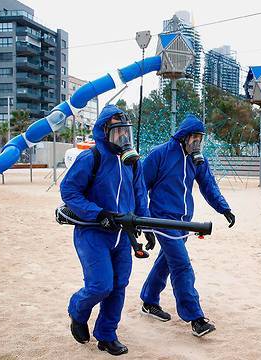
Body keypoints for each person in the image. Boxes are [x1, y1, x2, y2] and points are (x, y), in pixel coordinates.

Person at [60, 105, 153, 356]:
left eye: (126, 131)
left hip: (123, 235)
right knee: (100, 286)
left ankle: (106, 335)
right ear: (104, 131)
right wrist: (98, 213)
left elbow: (140, 195)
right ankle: (77, 311)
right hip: (93, 233)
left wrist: (147, 226)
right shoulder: (91, 158)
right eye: (118, 131)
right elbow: (69, 192)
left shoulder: (133, 163)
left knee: (119, 285)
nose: (123, 136)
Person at [139, 114, 235, 337]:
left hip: (185, 222)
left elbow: (208, 185)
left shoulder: (197, 159)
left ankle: (148, 300)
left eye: (201, 138)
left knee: (166, 261)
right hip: (162, 219)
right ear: (183, 136)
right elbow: (140, 187)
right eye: (194, 138)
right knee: (182, 265)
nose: (197, 143)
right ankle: (196, 318)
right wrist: (143, 222)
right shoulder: (160, 154)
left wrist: (224, 208)